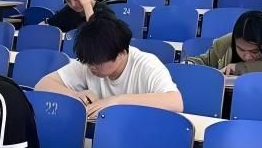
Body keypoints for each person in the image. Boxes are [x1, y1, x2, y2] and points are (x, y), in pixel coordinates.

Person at [36, 16, 183, 115]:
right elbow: (42, 85)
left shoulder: (147, 65)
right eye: (87, 62)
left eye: (98, 63)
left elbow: (175, 102)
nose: (91, 67)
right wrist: (75, 95)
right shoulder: (90, 60)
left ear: (121, 54)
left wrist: (116, 101)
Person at [186, 10, 262, 76]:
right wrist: (189, 64)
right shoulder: (229, 41)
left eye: (255, 51)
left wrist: (237, 68)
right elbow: (205, 61)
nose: (247, 56)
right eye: (241, 49)